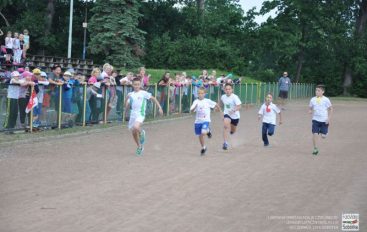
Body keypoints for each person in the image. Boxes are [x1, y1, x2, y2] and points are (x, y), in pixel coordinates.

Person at [125, 78, 163, 156]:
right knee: (133, 132)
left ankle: (142, 132)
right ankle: (139, 147)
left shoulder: (143, 93)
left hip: (140, 114)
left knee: (136, 127)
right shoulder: (130, 94)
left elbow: (154, 99)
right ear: (132, 85)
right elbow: (127, 105)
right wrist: (125, 112)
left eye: (138, 84)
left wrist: (160, 107)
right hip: (132, 115)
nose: (136, 86)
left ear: (140, 85)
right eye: (135, 84)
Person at [190, 87, 221, 156]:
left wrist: (220, 111)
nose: (200, 95)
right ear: (197, 94)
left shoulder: (207, 101)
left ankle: (207, 131)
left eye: (202, 93)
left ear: (205, 94)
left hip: (206, 120)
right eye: (199, 93)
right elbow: (191, 110)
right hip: (198, 121)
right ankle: (204, 147)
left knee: (203, 132)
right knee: (200, 135)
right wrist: (194, 108)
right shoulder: (196, 101)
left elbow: (215, 104)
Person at [309, 85, 332, 155]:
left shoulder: (326, 99)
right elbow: (310, 107)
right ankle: (315, 148)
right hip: (315, 120)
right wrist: (310, 110)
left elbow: (331, 109)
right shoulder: (312, 99)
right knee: (315, 134)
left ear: (323, 92)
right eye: (316, 90)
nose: (317, 92)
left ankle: (325, 132)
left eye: (318, 90)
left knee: (323, 136)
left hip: (324, 120)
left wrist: (329, 118)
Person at [220, 83, 242, 150]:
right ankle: (225, 143)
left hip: (235, 116)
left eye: (229, 89)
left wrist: (234, 110)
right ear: (224, 90)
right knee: (225, 126)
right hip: (227, 114)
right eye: (226, 89)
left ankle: (232, 132)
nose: (228, 90)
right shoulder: (223, 97)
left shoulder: (235, 97)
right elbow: (220, 103)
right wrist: (219, 110)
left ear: (232, 90)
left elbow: (239, 106)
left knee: (233, 131)